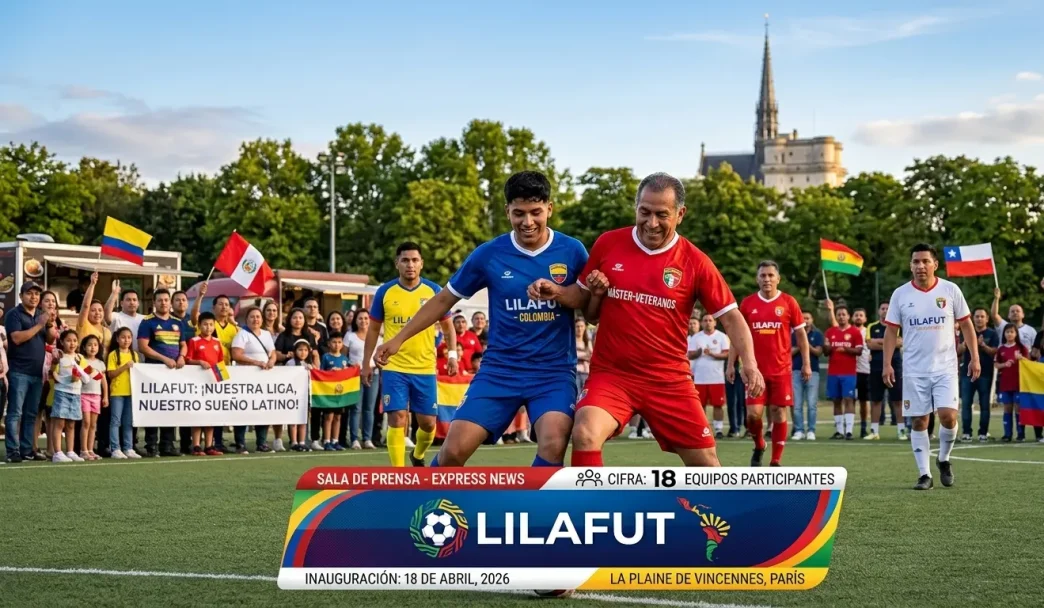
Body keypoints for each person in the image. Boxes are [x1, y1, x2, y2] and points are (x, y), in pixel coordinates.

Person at [533, 172, 763, 466]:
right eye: (645, 212)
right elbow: (583, 299)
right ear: (636, 207)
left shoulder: (695, 261)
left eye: (662, 215)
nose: (651, 223)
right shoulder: (609, 243)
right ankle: (588, 497)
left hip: (669, 380)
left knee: (707, 464)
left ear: (680, 214)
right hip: (612, 376)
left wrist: (750, 363)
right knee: (585, 432)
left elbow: (731, 316)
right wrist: (556, 292)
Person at [376, 173, 587, 468]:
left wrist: (560, 292)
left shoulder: (572, 251)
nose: (527, 221)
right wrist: (398, 338)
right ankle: (425, 496)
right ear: (507, 211)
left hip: (552, 373)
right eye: (519, 213)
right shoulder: (489, 254)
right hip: (499, 371)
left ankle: (534, 500)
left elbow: (588, 302)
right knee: (452, 452)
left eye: (535, 212)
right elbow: (443, 300)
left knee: (553, 443)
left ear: (549, 209)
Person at [883, 243, 979, 490]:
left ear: (935, 264)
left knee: (948, 416)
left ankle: (944, 459)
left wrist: (974, 357)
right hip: (914, 370)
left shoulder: (950, 290)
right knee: (919, 421)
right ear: (910, 266)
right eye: (916, 261)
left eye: (925, 261)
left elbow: (966, 325)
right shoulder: (900, 294)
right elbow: (891, 331)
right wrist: (887, 364)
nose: (920, 266)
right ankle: (924, 474)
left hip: (945, 368)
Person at [365, 242, 457, 467]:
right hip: (394, 366)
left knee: (427, 423)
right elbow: (373, 329)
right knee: (397, 417)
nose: (410, 265)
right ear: (397, 263)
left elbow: (448, 328)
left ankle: (417, 454)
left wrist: (452, 355)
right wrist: (366, 363)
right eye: (405, 260)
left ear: (421, 264)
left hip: (425, 368)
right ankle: (399, 475)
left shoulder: (434, 291)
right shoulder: (385, 292)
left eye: (415, 260)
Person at [733, 261, 809, 466]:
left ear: (778, 279)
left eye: (770, 275)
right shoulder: (747, 304)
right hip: (755, 371)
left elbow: (801, 335)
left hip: (781, 370)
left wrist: (806, 363)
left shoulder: (789, 302)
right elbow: (737, 336)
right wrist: (732, 364)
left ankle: (775, 460)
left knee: (778, 411)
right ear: (757, 279)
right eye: (763, 276)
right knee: (753, 416)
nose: (767, 279)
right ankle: (759, 445)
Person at [137, 289, 186, 457]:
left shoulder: (177, 322)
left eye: (166, 300)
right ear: (154, 303)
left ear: (170, 302)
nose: (163, 303)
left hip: (173, 373)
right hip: (153, 371)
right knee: (154, 408)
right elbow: (143, 347)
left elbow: (183, 344)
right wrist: (164, 359)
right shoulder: (147, 322)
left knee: (170, 407)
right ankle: (151, 445)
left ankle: (167, 445)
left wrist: (182, 356)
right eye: (160, 300)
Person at [4, 281, 49, 463]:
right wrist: (39, 325)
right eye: (29, 293)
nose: (34, 297)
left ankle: (27, 449)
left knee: (31, 414)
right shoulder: (14, 314)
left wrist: (51, 325)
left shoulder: (40, 314)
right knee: (15, 413)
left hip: (37, 373)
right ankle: (12, 451)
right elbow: (16, 338)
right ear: (21, 296)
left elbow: (49, 338)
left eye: (37, 294)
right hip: (19, 371)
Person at [192, 284, 238, 453]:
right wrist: (200, 295)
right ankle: (197, 444)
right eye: (220, 304)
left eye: (227, 304)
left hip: (219, 373)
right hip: (201, 375)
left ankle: (214, 443)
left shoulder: (233, 328)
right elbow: (195, 316)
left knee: (216, 410)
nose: (224, 307)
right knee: (200, 412)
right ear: (214, 307)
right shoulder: (207, 324)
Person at [230, 306, 277, 453]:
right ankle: (240, 443)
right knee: (243, 409)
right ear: (246, 319)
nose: (255, 319)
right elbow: (236, 355)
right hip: (245, 379)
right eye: (252, 317)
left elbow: (273, 353)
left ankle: (261, 443)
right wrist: (256, 362)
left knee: (262, 409)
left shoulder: (266, 334)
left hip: (263, 379)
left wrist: (272, 361)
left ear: (262, 319)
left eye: (258, 316)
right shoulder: (242, 334)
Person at [185, 312, 225, 455]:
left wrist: (221, 382)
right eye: (205, 324)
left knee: (210, 414)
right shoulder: (194, 341)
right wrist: (199, 362)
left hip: (212, 384)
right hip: (197, 383)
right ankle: (196, 445)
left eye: (211, 325)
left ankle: (209, 446)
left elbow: (221, 362)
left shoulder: (217, 342)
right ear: (199, 325)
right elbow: (187, 360)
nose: (208, 327)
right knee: (198, 414)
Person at [957, 308, 999, 442]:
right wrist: (965, 344)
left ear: (987, 319)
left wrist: (983, 345)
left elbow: (995, 352)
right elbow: (957, 351)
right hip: (967, 374)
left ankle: (983, 433)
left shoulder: (992, 334)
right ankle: (966, 432)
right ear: (973, 318)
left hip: (985, 373)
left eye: (982, 316)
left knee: (985, 405)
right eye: (977, 316)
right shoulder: (966, 332)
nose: (979, 319)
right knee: (966, 404)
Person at [824, 303, 863, 440]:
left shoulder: (855, 332)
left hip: (849, 373)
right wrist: (827, 347)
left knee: (848, 399)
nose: (841, 317)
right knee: (836, 400)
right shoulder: (830, 332)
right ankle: (839, 430)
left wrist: (845, 349)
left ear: (848, 317)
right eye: (839, 315)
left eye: (843, 314)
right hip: (833, 372)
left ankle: (849, 431)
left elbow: (859, 350)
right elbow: (826, 351)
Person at [688, 313, 730, 439]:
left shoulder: (721, 336)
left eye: (710, 320)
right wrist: (699, 352)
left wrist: (712, 354)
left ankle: (718, 429)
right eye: (705, 320)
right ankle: (702, 429)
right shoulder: (696, 337)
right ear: (702, 323)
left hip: (716, 377)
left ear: (715, 322)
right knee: (700, 406)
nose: (707, 323)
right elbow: (690, 355)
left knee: (718, 404)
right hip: (700, 377)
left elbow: (726, 354)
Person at [867, 301, 905, 440]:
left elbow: (899, 343)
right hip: (876, 367)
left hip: (895, 367)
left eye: (887, 308)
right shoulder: (872, 326)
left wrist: (879, 341)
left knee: (897, 400)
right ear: (879, 311)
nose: (885, 310)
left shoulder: (898, 326)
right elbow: (870, 344)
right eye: (882, 308)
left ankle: (901, 431)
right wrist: (889, 342)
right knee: (876, 400)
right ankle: (874, 431)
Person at [49, 329, 86, 462]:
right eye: (68, 340)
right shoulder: (60, 357)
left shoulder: (80, 358)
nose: (72, 343)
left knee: (71, 424)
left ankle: (70, 451)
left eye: (75, 341)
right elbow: (52, 373)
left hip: (75, 394)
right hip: (62, 393)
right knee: (59, 423)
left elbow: (87, 373)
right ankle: (57, 453)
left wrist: (82, 377)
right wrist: (54, 364)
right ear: (62, 342)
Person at [106, 328, 140, 459]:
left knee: (128, 421)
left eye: (129, 337)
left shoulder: (134, 355)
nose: (126, 340)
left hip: (131, 392)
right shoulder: (113, 354)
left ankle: (128, 447)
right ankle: (115, 448)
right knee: (115, 421)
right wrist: (125, 366)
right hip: (117, 392)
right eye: (123, 337)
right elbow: (111, 374)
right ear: (117, 339)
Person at [346, 309, 377, 450]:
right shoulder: (350, 336)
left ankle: (367, 439)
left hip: (373, 374)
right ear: (355, 320)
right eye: (360, 318)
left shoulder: (377, 337)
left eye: (366, 318)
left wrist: (372, 367)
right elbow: (343, 357)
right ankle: (354, 439)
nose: (363, 321)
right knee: (356, 408)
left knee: (369, 408)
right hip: (354, 376)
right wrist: (352, 366)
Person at [791, 311, 823, 441]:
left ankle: (811, 430)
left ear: (812, 319)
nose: (806, 320)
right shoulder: (794, 334)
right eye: (803, 318)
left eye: (808, 318)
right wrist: (801, 345)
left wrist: (806, 344)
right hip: (796, 371)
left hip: (813, 372)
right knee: (797, 404)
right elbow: (789, 352)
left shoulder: (817, 334)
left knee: (811, 404)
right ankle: (799, 430)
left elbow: (818, 352)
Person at [995, 324, 1028, 442]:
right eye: (1007, 332)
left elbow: (1029, 363)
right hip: (1005, 383)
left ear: (1016, 334)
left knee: (1018, 409)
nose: (1009, 334)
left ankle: (1021, 434)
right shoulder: (1001, 349)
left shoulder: (1021, 348)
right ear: (1004, 334)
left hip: (1019, 383)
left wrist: (1021, 359)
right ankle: (1007, 434)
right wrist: (1004, 364)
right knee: (1007, 409)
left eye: (1012, 332)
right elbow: (996, 364)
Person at [78, 334, 107, 461]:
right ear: (84, 347)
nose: (93, 347)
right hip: (84, 394)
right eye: (89, 345)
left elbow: (103, 381)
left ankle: (90, 449)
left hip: (97, 396)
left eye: (95, 345)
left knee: (93, 424)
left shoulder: (100, 363)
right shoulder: (81, 361)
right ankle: (83, 450)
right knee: (86, 422)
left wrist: (105, 396)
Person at [284, 338, 315, 451]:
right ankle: (294, 442)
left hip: (305, 395)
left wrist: (311, 370)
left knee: (303, 419)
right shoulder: (290, 363)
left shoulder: (309, 364)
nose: (303, 353)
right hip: (293, 395)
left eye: (305, 350)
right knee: (293, 420)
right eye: (300, 350)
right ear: (295, 351)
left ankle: (302, 441)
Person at [320, 332, 349, 451]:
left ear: (342, 344)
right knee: (329, 416)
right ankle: (326, 441)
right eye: (334, 342)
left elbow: (348, 375)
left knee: (338, 417)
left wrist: (346, 371)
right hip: (329, 392)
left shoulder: (344, 359)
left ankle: (335, 440)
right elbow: (321, 373)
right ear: (329, 343)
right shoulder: (326, 357)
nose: (337, 345)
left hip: (340, 393)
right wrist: (331, 372)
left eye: (339, 342)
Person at [105, 281, 143, 351]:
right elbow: (106, 313)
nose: (132, 302)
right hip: (119, 356)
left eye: (134, 300)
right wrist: (114, 293)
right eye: (128, 300)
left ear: (138, 303)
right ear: (121, 303)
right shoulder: (116, 316)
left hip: (140, 357)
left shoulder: (144, 319)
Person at [852, 308, 872, 438]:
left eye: (861, 315)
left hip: (865, 370)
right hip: (850, 371)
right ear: (852, 317)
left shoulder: (867, 332)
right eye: (856, 315)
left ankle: (864, 427)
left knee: (864, 401)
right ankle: (848, 427)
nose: (858, 317)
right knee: (850, 400)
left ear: (865, 318)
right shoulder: (849, 331)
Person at [575, 317, 593, 393]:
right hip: (576, 372)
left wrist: (580, 356)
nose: (580, 329)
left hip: (586, 372)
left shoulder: (588, 342)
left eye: (581, 326)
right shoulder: (572, 342)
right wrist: (584, 356)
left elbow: (591, 356)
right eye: (577, 326)